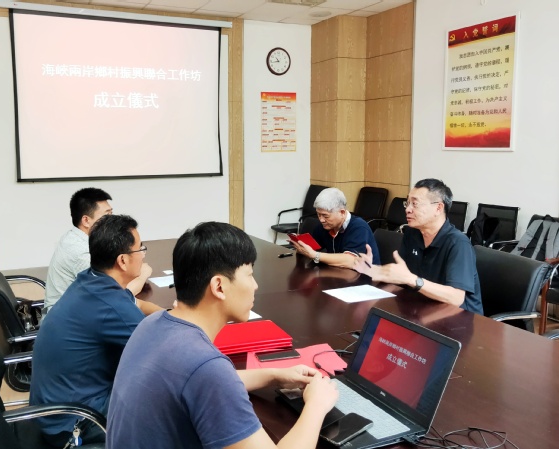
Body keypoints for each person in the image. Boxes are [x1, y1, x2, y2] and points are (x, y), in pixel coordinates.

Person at [107, 222, 339, 449]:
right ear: (219, 286)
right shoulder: (206, 366)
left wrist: (275, 375)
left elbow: (204, 383)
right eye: (249, 274)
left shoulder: (152, 323)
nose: (255, 285)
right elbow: (210, 378)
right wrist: (316, 405)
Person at [30, 214, 163, 447]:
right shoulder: (111, 305)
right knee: (168, 398)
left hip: (54, 410)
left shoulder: (91, 280)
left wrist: (170, 314)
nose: (143, 254)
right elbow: (164, 353)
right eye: (140, 249)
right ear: (123, 260)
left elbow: (136, 304)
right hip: (74, 423)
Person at [353, 178, 483, 314]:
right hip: (423, 309)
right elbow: (401, 277)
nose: (408, 209)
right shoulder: (412, 233)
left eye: (415, 204)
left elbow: (456, 298)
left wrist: (412, 280)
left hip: (460, 318)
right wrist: (374, 270)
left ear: (438, 208)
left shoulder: (458, 243)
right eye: (407, 203)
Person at [44, 187, 153, 315]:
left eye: (111, 213)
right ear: (86, 220)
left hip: (82, 309)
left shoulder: (81, 237)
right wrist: (143, 274)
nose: (111, 220)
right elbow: (116, 295)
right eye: (106, 215)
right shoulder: (80, 252)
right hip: (68, 317)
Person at [290, 187, 381, 267]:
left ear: (342, 212)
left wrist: (315, 255)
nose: (321, 220)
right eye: (318, 214)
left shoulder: (359, 227)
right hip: (339, 274)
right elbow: (311, 249)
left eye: (325, 216)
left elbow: (350, 261)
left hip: (366, 277)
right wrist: (301, 246)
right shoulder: (325, 226)